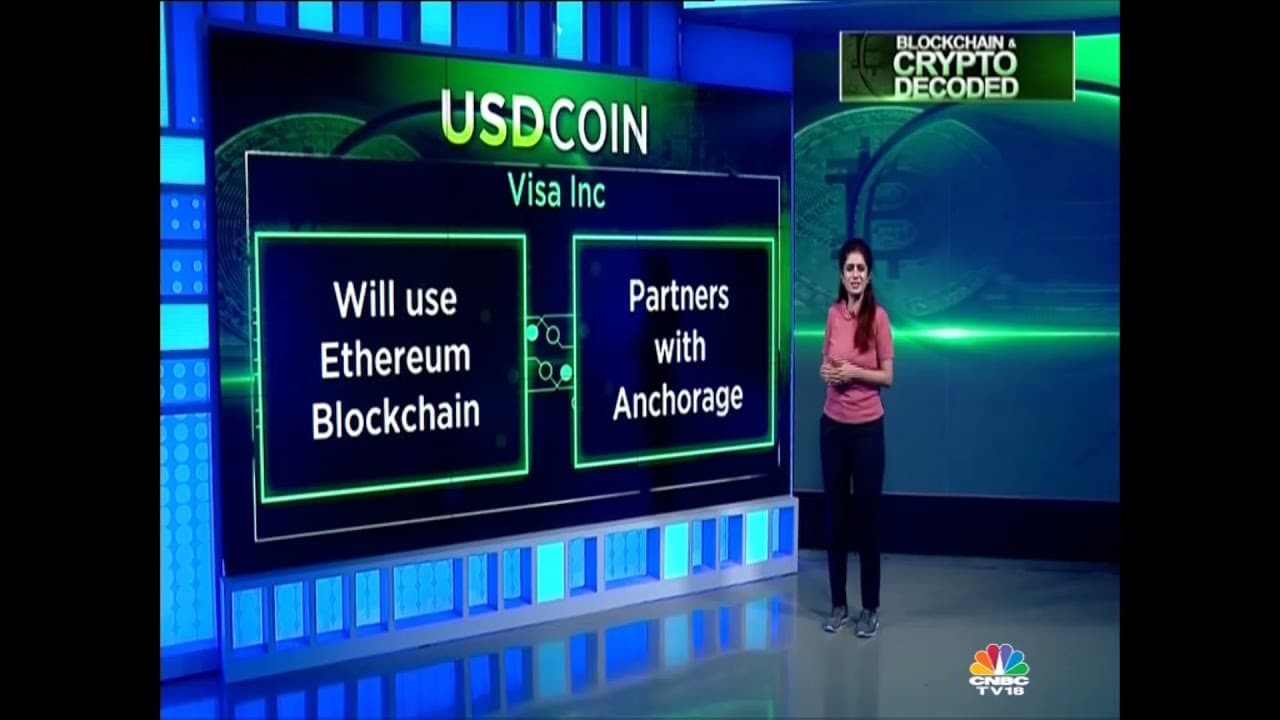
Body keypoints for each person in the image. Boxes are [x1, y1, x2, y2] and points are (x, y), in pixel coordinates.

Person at [819, 238, 894, 638]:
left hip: (867, 429)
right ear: (841, 274)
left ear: (869, 275)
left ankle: (870, 608)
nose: (854, 275)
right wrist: (828, 372)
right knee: (835, 518)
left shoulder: (878, 318)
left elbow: (888, 376)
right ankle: (838, 605)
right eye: (849, 268)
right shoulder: (833, 314)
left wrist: (853, 373)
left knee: (867, 519)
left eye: (860, 268)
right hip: (833, 426)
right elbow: (826, 362)